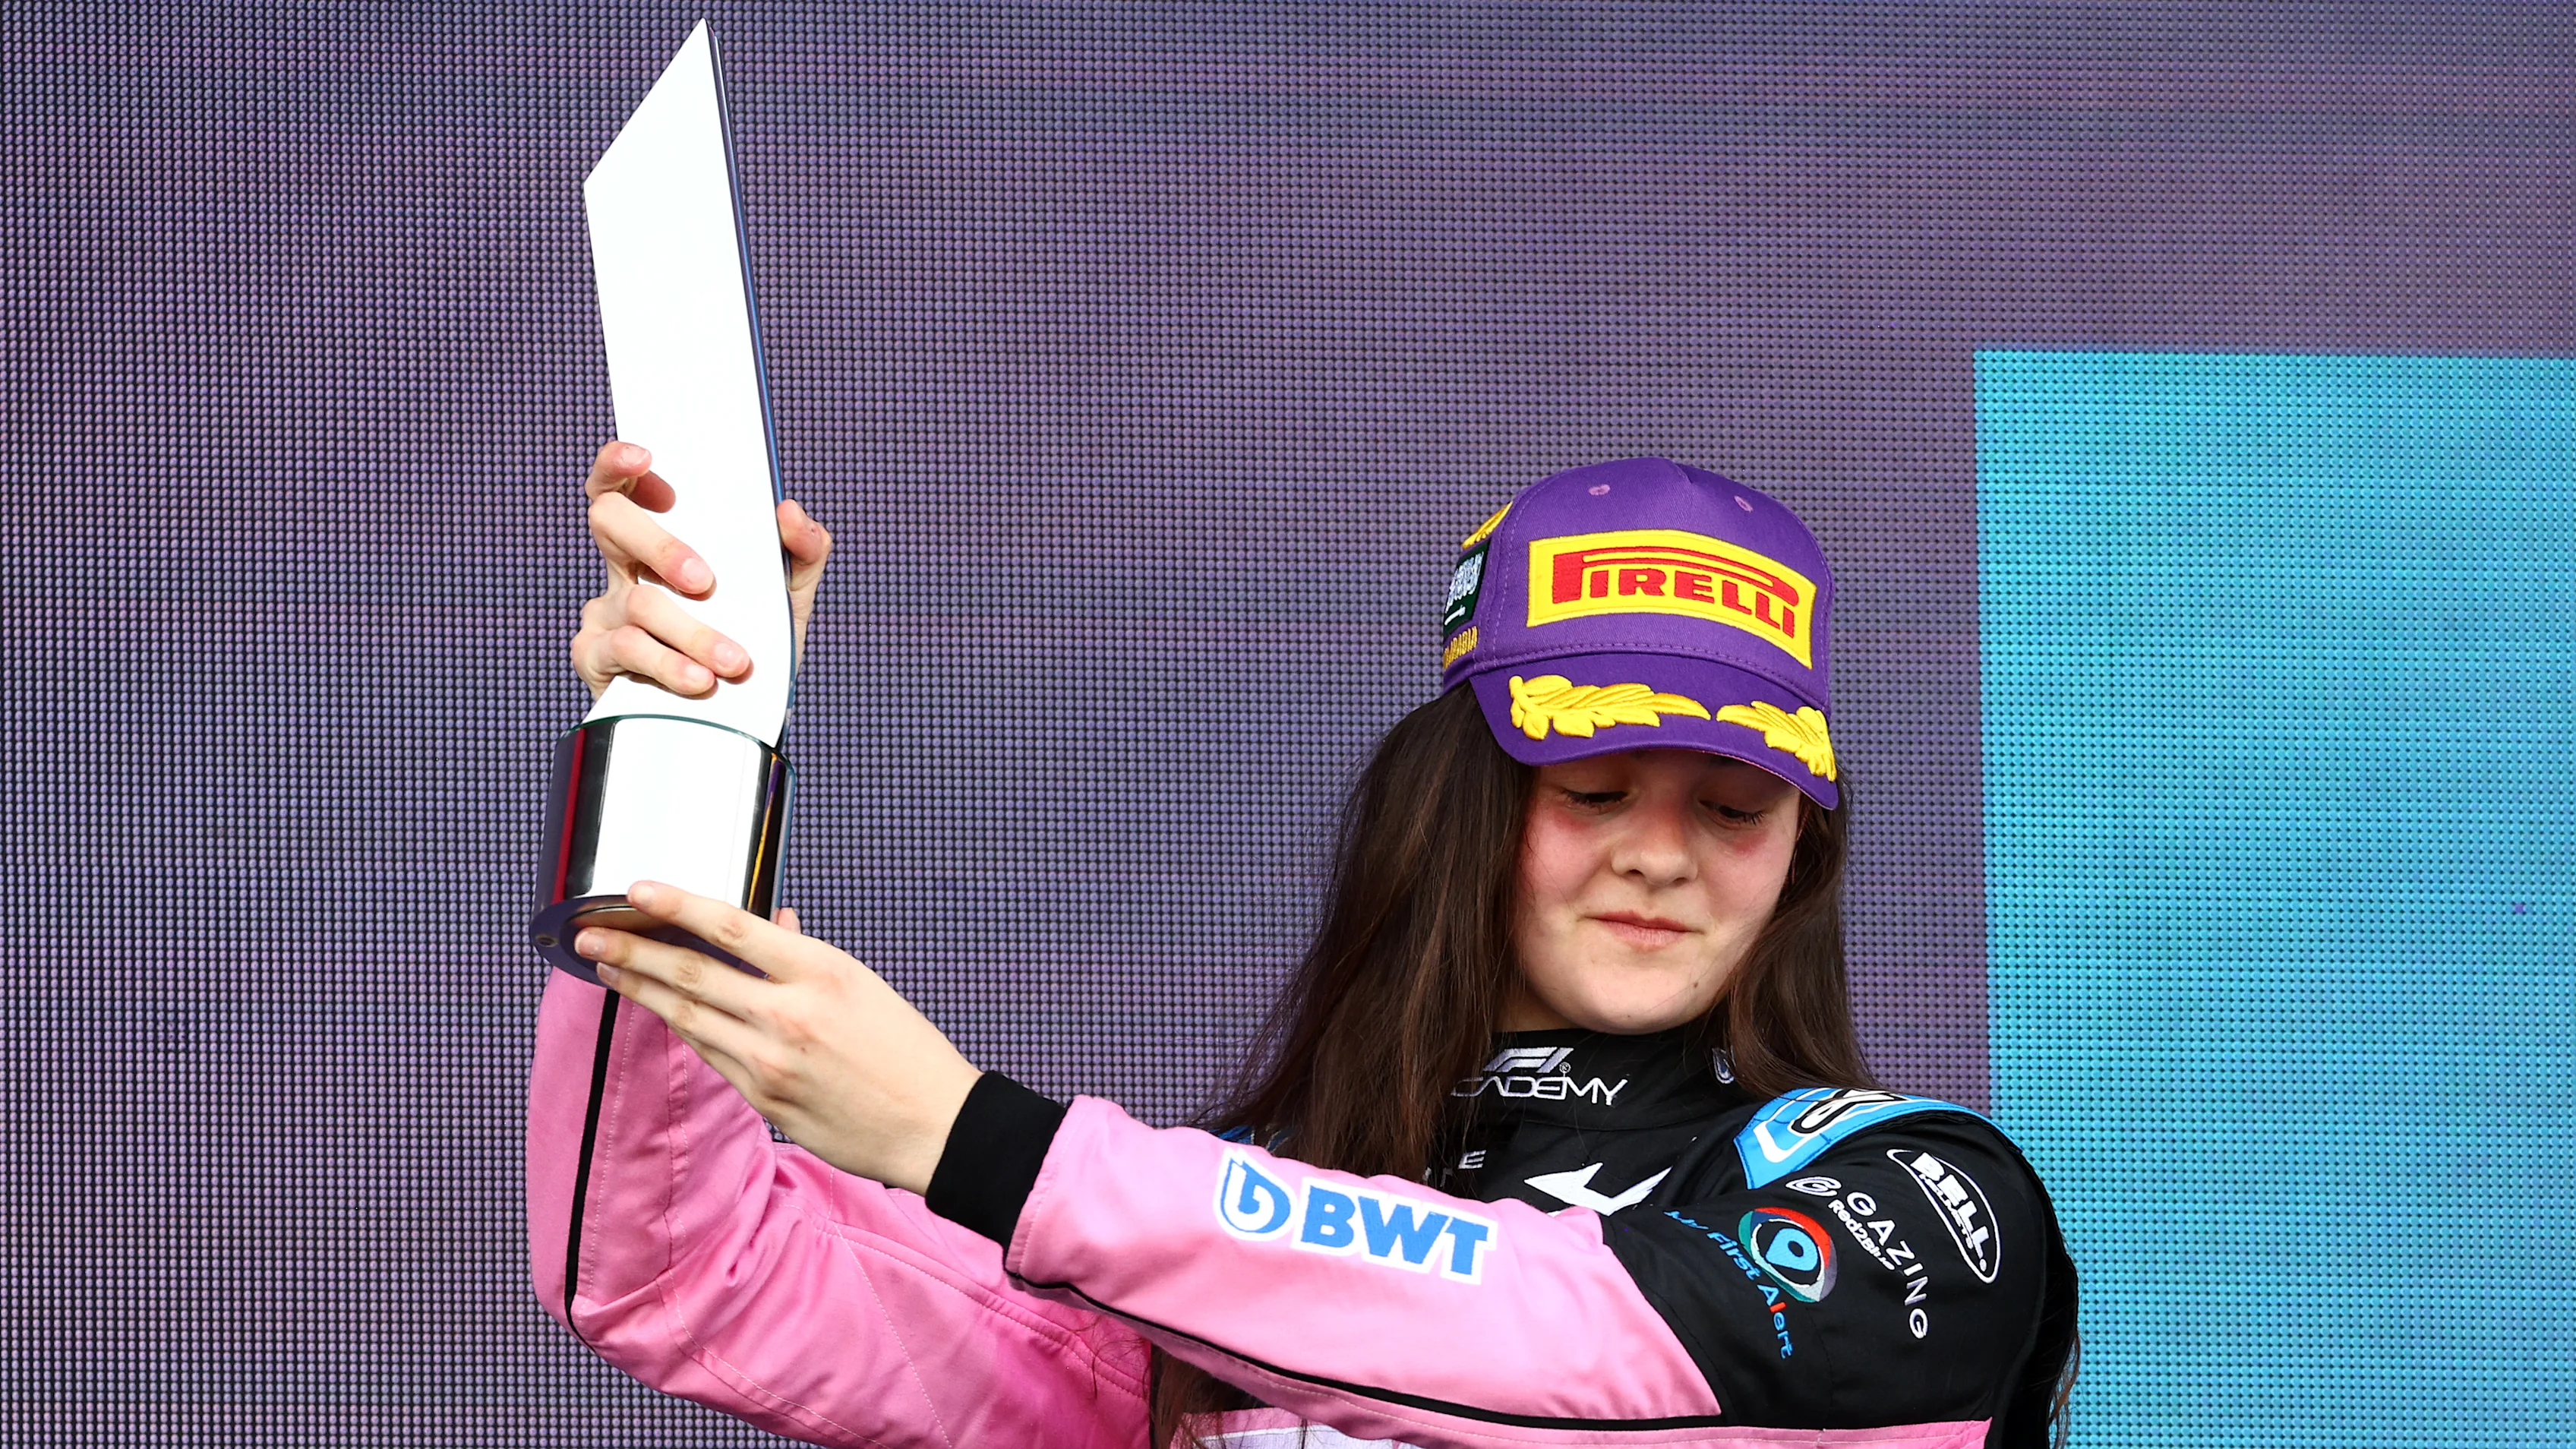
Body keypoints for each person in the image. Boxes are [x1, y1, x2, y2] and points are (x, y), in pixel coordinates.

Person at [530, 447, 2079, 1449]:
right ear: (1460, 805)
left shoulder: (1918, 1198)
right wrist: (684, 740)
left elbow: (1577, 1333)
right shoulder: (1220, 1259)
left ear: (1799, 851)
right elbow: (681, 1270)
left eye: (1733, 806)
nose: (1658, 853)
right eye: (1592, 784)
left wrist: (974, 1139)